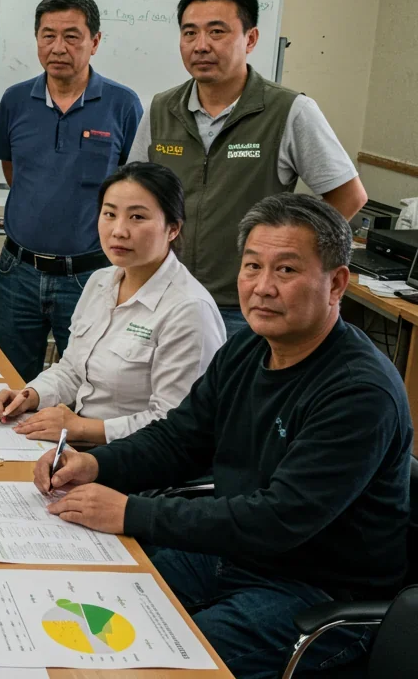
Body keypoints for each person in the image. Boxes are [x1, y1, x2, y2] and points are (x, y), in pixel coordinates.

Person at [35, 193, 411, 679]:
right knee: (79, 603)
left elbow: (278, 519)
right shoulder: (248, 348)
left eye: (286, 270)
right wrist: (96, 464)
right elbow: (180, 439)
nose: (263, 287)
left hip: (314, 592)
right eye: (252, 266)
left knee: (147, 664)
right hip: (233, 555)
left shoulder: (359, 392)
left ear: (336, 283)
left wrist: (131, 511)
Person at [127, 0, 366, 336]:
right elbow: (135, 197)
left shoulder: (289, 111)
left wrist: (293, 258)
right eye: (190, 33)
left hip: (246, 306)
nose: (201, 45)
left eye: (217, 32)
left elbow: (349, 196)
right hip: (166, 296)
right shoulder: (161, 109)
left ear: (250, 39)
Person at [0, 163, 225, 444]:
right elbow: (73, 370)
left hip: (135, 457)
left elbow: (176, 424)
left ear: (173, 228)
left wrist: (80, 428)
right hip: (78, 442)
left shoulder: (189, 310)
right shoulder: (100, 281)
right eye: (110, 214)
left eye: (137, 217)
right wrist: (31, 395)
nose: (119, 231)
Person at [0, 0, 143, 381]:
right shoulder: (14, 100)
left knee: (90, 384)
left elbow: (133, 186)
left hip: (90, 275)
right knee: (11, 382)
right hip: (18, 273)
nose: (58, 47)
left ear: (95, 41)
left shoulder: (122, 105)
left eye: (72, 36)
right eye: (48, 35)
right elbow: (13, 171)